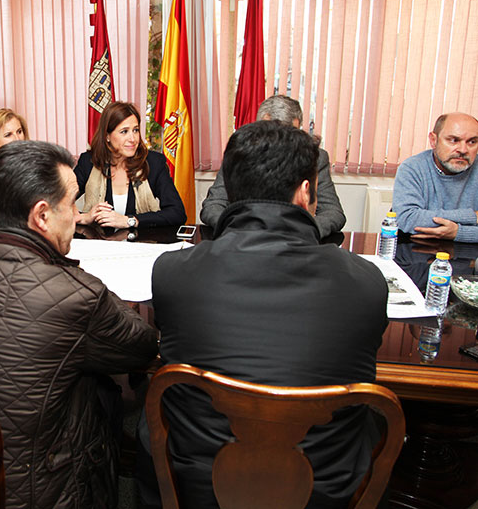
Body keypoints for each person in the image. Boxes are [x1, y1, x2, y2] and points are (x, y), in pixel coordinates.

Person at [137, 121, 388, 508]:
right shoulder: (366, 283)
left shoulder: (173, 273)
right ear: (306, 192)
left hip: (200, 484)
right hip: (321, 490)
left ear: (232, 190)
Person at [0, 140, 158, 508]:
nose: (76, 215)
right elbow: (141, 345)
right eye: (71, 204)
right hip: (39, 490)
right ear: (42, 215)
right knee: (104, 390)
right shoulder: (77, 296)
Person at [200, 94, 346, 237]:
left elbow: (332, 212)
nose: (280, 142)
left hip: (297, 245)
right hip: (243, 241)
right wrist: (242, 231)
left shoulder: (315, 156)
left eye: (289, 134)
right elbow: (213, 206)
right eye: (271, 134)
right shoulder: (240, 153)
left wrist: (301, 232)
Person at [75, 101, 186, 228]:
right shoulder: (89, 162)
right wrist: (84, 217)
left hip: (142, 243)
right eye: (124, 132)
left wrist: (131, 221)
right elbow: (55, 205)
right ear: (107, 136)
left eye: (136, 130)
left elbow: (177, 213)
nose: (133, 139)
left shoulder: (154, 163)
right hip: (100, 244)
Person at [392, 112, 478, 242]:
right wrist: (472, 217)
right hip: (417, 253)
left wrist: (459, 232)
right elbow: (408, 218)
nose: (463, 149)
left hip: (469, 257)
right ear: (433, 140)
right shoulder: (412, 167)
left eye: (472, 142)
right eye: (454, 140)